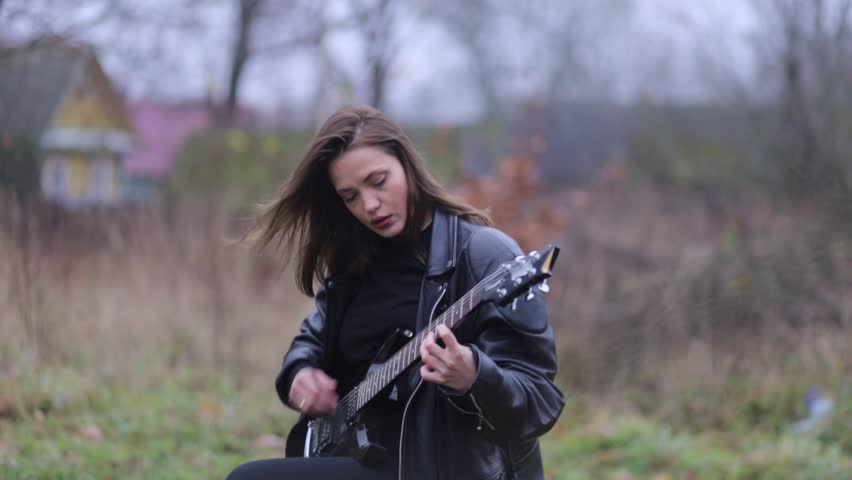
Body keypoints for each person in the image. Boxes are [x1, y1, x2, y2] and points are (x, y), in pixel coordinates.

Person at [227, 105, 564, 480]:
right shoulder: (354, 262)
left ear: (406, 164)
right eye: (350, 196)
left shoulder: (485, 255)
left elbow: (539, 402)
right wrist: (300, 371)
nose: (369, 206)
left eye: (378, 181)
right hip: (359, 457)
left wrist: (474, 378)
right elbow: (312, 338)